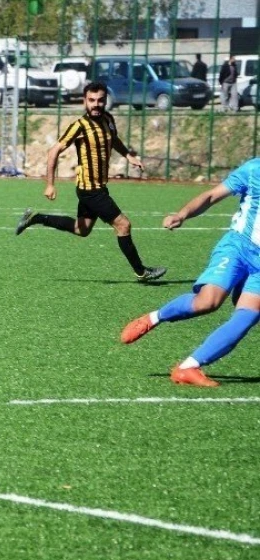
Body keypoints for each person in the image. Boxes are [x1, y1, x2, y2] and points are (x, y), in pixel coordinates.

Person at [120, 158, 260, 387]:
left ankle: (188, 367)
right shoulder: (254, 170)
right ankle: (154, 317)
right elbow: (212, 196)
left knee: (248, 314)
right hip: (238, 247)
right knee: (208, 302)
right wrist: (182, 214)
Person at [15, 81, 166, 283]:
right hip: (91, 190)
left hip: (96, 188)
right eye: (91, 100)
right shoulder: (80, 126)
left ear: (105, 101)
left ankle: (37, 218)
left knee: (82, 229)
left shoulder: (108, 119)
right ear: (84, 101)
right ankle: (141, 272)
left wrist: (128, 156)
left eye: (100, 100)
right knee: (123, 225)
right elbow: (53, 152)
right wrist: (50, 184)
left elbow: (114, 140)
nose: (96, 104)